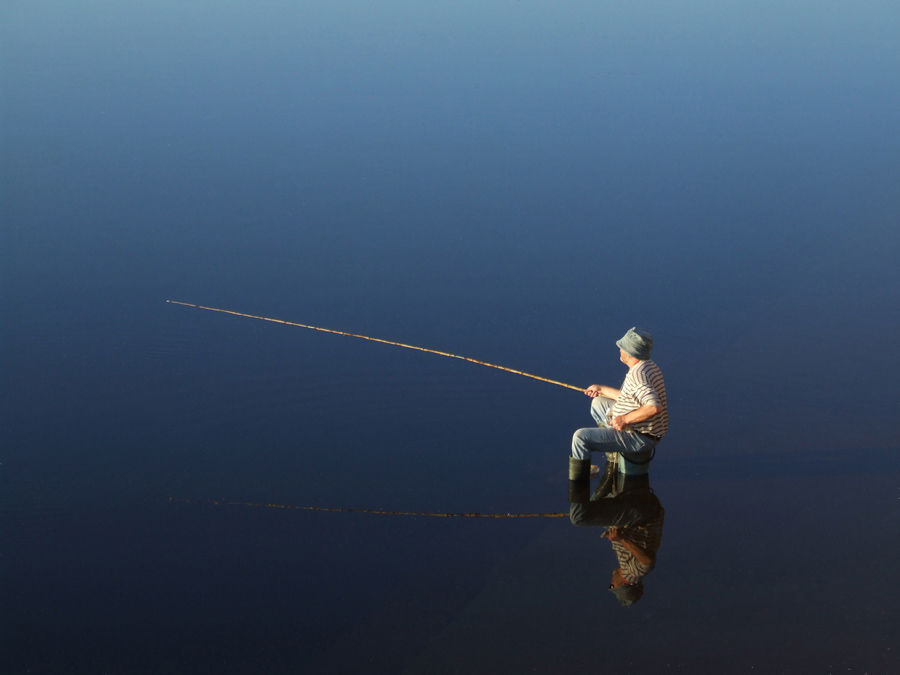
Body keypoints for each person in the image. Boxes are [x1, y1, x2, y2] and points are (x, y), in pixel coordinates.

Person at [568, 327, 668, 481]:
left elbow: (654, 406)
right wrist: (601, 389)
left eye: (622, 348)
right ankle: (614, 455)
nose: (619, 350)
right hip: (641, 431)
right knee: (598, 402)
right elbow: (629, 397)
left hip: (639, 436)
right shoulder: (648, 366)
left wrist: (624, 420)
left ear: (631, 352)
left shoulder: (638, 376)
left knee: (580, 438)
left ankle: (578, 489)